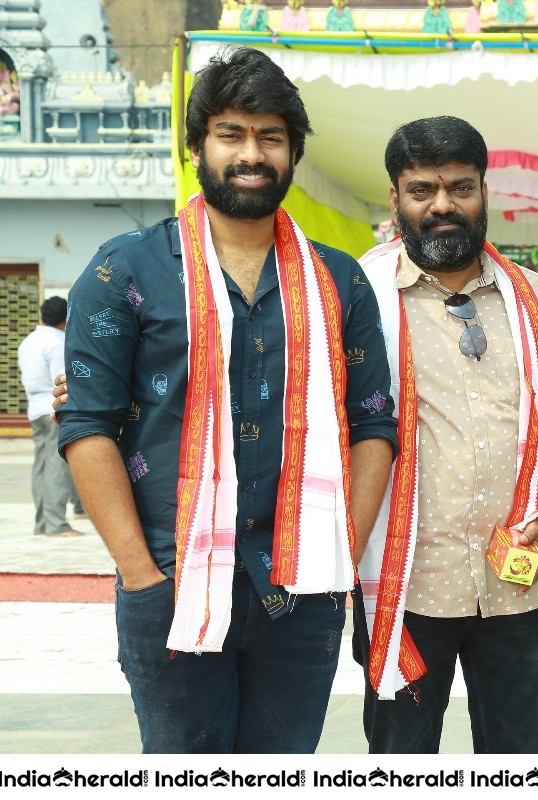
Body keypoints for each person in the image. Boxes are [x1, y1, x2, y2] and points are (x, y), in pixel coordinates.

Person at [56, 46, 397, 754]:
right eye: (232, 134)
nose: (253, 154)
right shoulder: (126, 269)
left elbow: (373, 426)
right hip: (170, 581)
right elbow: (87, 427)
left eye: (271, 137)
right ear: (198, 146)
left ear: (293, 155)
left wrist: (341, 554)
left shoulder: (340, 281)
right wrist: (140, 575)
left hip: (301, 587)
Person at [353, 116, 538, 754]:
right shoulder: (355, 295)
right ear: (396, 200)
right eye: (422, 191)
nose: (442, 206)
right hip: (403, 589)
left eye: (460, 188)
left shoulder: (536, 297)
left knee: (525, 762)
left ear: (485, 192)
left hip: (519, 586)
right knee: (398, 764)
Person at [18, 297, 83, 539]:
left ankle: (42, 523)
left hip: (34, 409)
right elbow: (62, 380)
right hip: (52, 410)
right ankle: (56, 525)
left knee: (41, 466)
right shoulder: (58, 342)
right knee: (57, 468)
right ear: (65, 318)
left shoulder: (28, 341)